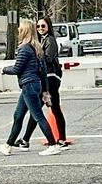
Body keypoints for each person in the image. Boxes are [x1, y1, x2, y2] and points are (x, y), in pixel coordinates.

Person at [0, 20, 62, 157]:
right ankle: (8, 145)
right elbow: (43, 72)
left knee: (38, 116)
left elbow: (17, 69)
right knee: (18, 115)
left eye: (20, 29)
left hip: (28, 85)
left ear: (24, 31)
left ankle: (53, 144)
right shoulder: (37, 48)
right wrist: (45, 90)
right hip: (34, 84)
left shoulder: (24, 48)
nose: (18, 31)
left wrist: (4, 69)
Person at [17, 16, 68, 148]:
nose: (40, 28)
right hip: (45, 78)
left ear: (48, 27)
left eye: (43, 26)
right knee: (40, 110)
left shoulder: (50, 40)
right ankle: (26, 139)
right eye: (38, 26)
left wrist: (34, 62)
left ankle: (59, 139)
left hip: (51, 78)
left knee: (49, 109)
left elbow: (47, 59)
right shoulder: (40, 40)